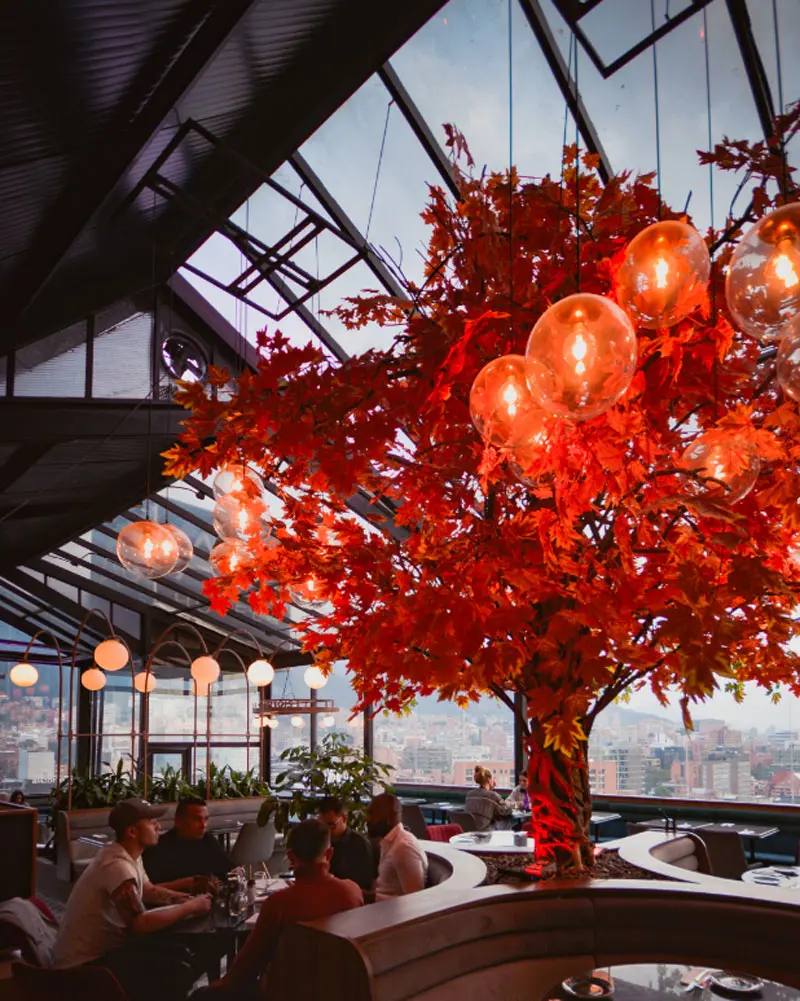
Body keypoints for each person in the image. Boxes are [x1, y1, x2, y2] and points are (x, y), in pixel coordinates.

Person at [52, 797, 211, 1001]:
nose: (158, 826)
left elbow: (149, 891)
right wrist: (189, 908)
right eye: (151, 822)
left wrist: (188, 897)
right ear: (132, 831)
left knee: (179, 954)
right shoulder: (117, 866)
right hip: (84, 966)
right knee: (176, 970)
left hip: (106, 953)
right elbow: (139, 923)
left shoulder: (131, 856)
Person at [211, 818, 363, 997]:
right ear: (329, 854)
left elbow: (246, 967)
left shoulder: (279, 904)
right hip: (339, 991)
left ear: (290, 857)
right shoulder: (352, 892)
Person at [143, 795, 230, 887]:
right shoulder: (158, 849)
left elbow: (227, 871)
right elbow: (151, 891)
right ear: (178, 821)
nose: (203, 825)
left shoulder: (208, 841)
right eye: (197, 819)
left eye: (205, 819)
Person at [367, 792, 427, 900]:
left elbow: (415, 900)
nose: (366, 819)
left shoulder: (404, 848)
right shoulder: (388, 842)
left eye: (372, 814)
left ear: (389, 818)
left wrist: (371, 898)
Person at [317, 796, 375, 893]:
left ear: (344, 818)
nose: (327, 830)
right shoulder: (319, 841)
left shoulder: (359, 845)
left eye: (331, 825)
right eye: (322, 825)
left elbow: (365, 884)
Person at [465, 766, 514, 831]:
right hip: (484, 831)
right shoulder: (492, 795)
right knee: (507, 822)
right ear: (489, 780)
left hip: (469, 830)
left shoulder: (469, 794)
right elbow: (505, 811)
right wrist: (514, 805)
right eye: (493, 778)